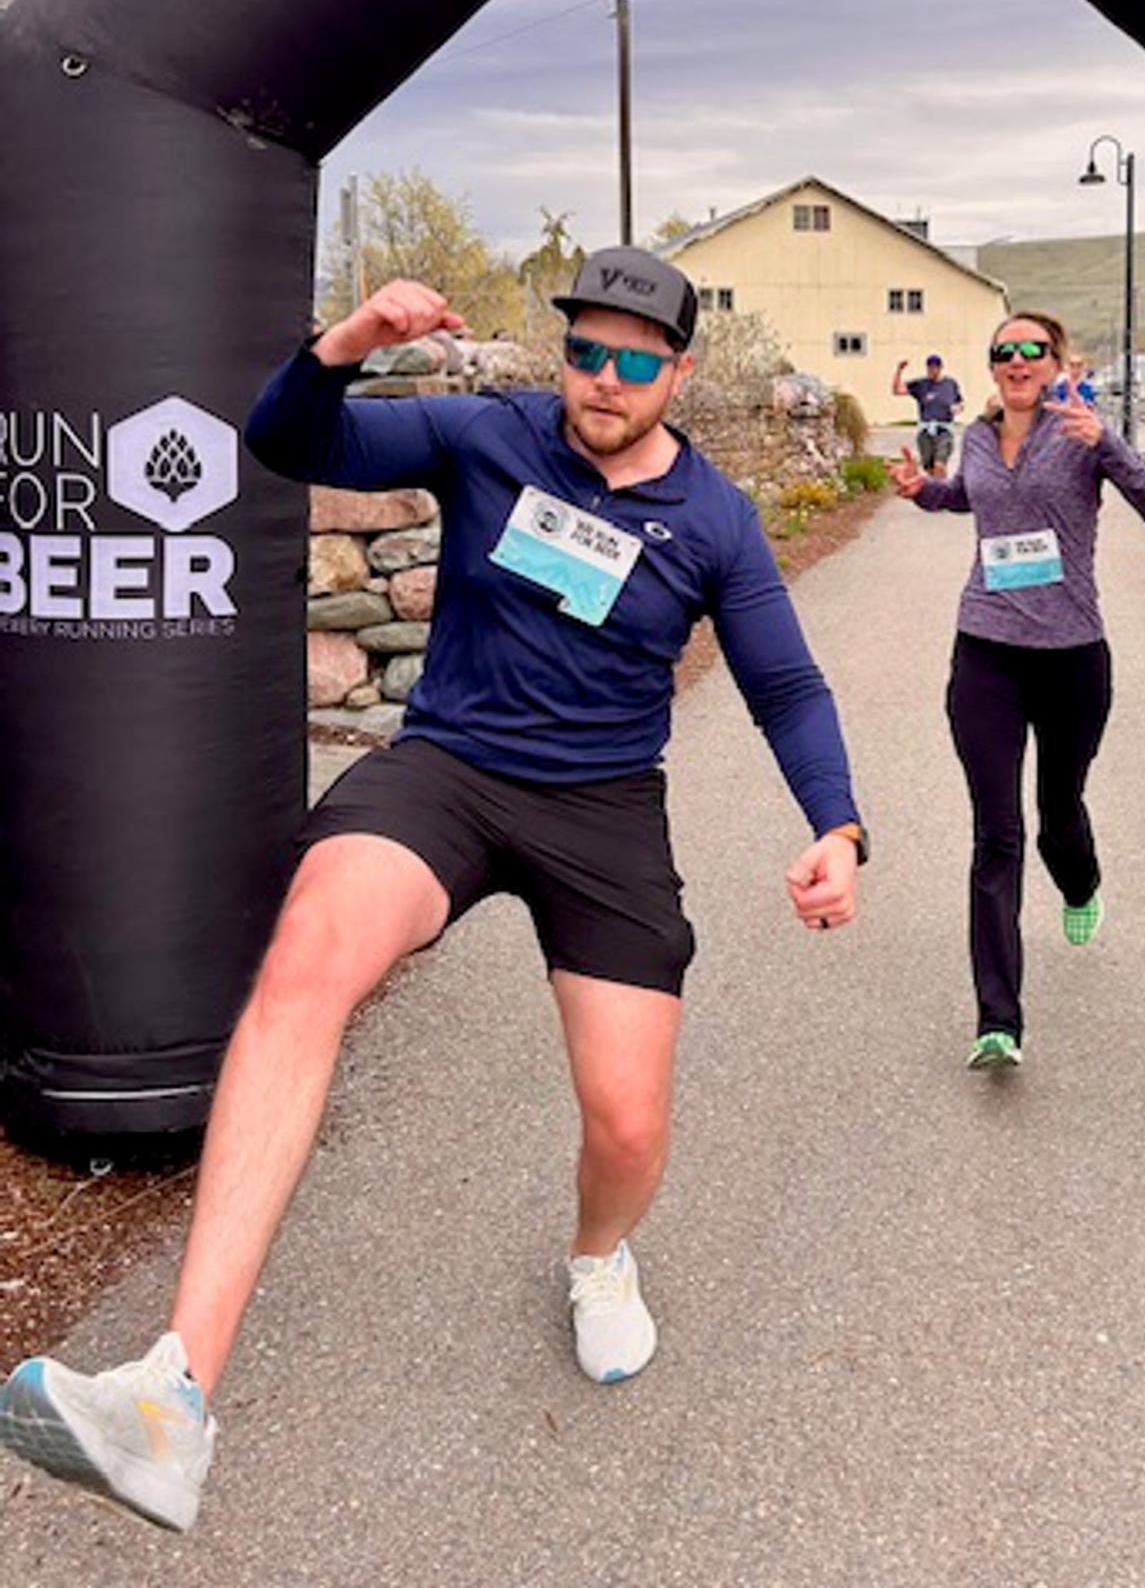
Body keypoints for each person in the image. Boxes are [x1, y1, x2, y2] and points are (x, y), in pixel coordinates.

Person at [0, 246, 867, 1533]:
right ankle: (170, 1397)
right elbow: (291, 441)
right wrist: (345, 338)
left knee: (626, 1124)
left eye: (637, 360)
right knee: (305, 967)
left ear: (678, 372)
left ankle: (597, 1258)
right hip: (449, 771)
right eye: (586, 349)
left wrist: (836, 826)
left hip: (606, 807)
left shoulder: (718, 523)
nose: (605, 379)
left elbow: (785, 687)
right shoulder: (487, 432)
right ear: (562, 352)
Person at [888, 310, 1145, 1073]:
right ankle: (998, 1019)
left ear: (1056, 360)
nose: (1016, 360)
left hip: (1073, 657)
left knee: (1058, 814)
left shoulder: (1080, 433)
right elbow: (970, 501)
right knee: (997, 831)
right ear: (992, 367)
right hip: (985, 652)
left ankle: (1080, 883)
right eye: (1002, 351)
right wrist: (925, 489)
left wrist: (1107, 443)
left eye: (1031, 350)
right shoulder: (978, 436)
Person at [892, 353, 963, 479]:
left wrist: (957, 408)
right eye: (930, 368)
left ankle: (944, 494)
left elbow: (960, 402)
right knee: (930, 469)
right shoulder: (921, 384)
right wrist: (899, 370)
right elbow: (897, 390)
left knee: (939, 466)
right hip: (925, 431)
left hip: (944, 430)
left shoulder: (950, 384)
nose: (933, 371)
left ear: (941, 368)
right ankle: (936, 493)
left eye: (936, 367)